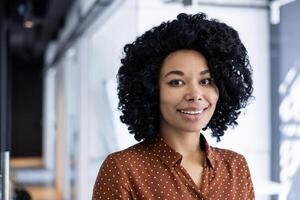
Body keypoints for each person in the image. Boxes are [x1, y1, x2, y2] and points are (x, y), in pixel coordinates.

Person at [92, 12, 255, 199]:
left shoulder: (236, 167)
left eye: (206, 81)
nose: (194, 94)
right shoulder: (123, 169)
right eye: (176, 82)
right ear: (152, 90)